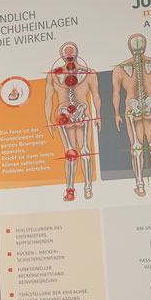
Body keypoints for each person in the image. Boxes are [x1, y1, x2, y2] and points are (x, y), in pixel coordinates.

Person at [112, 33, 151, 196]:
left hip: (133, 110)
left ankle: (140, 186)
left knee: (137, 148)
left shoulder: (119, 69)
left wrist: (117, 113)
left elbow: (116, 93)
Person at [43, 42, 101, 201]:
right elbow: (48, 99)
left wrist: (98, 115)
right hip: (65, 115)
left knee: (85, 151)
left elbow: (96, 95)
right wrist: (48, 120)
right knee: (71, 152)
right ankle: (71, 189)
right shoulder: (54, 75)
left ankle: (87, 188)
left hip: (82, 113)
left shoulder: (89, 73)